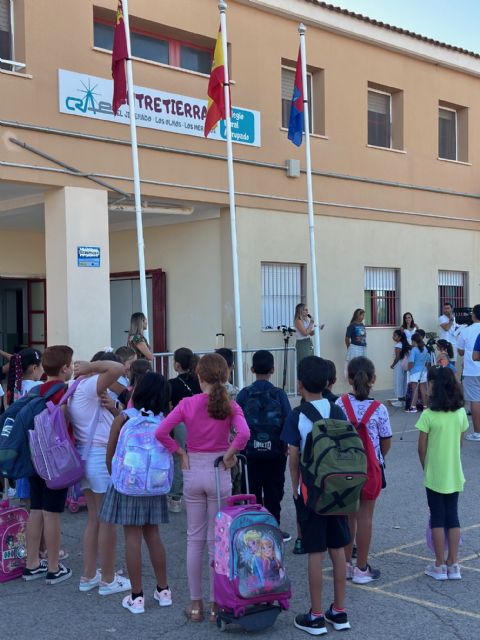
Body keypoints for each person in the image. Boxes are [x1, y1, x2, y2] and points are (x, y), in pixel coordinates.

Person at [155, 353, 250, 623]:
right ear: (226, 375)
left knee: (193, 539)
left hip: (193, 470)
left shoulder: (187, 403)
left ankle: (195, 604)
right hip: (219, 471)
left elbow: (161, 431)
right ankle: (215, 604)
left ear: (199, 376)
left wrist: (180, 452)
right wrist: (230, 454)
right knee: (216, 541)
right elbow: (244, 434)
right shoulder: (230, 405)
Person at [282, 356, 351, 635]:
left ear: (299, 383)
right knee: (337, 549)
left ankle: (316, 614)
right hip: (339, 490)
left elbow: (293, 456)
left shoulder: (298, 415)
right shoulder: (337, 410)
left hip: (312, 492)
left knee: (314, 551)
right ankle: (340, 610)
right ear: (326, 383)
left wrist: (297, 486)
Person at [101, 372, 172, 614]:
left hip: (128, 485)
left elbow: (110, 454)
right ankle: (164, 591)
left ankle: (137, 597)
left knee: (132, 537)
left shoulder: (123, 418)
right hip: (155, 485)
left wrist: (117, 477)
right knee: (154, 535)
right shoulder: (164, 420)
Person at [68, 353, 131, 596]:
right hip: (97, 457)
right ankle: (107, 578)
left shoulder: (77, 389)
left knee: (94, 519)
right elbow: (116, 368)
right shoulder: (88, 387)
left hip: (85, 456)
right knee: (107, 521)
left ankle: (89, 575)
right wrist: (91, 367)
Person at [336, 357, 392, 584]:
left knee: (348, 516)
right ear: (374, 379)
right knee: (365, 517)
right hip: (370, 469)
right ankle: (362, 568)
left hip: (344, 468)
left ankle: (347, 564)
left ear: (348, 378)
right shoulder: (379, 409)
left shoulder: (340, 405)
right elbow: (385, 441)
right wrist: (376, 458)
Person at [22, 346, 73, 585]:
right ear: (64, 368)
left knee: (36, 510)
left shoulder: (34, 391)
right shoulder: (63, 392)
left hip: (34, 457)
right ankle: (54, 567)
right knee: (52, 513)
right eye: (71, 364)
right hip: (54, 460)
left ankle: (31, 563)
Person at [416, 366, 468, 580]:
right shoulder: (460, 413)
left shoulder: (428, 415)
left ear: (433, 387)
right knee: (453, 517)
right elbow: (460, 443)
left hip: (435, 474)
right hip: (454, 472)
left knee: (437, 518)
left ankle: (439, 564)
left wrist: (426, 466)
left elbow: (421, 448)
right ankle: (453, 564)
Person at [236, 350, 291, 540]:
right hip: (275, 454)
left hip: (249, 455)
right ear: (273, 369)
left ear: (252, 369)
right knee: (273, 493)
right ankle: (273, 529)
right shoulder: (279, 395)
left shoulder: (244, 394)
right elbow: (287, 421)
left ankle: (254, 530)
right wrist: (285, 448)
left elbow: (238, 423)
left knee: (251, 493)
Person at [167, 348, 201, 513]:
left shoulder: (172, 384)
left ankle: (176, 498)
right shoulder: (199, 381)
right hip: (199, 424)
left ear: (177, 365)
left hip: (180, 425)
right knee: (198, 457)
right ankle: (199, 495)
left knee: (179, 458)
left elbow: (169, 407)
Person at [457, 304, 480, 441]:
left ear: (473, 315)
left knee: (475, 401)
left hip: (472, 370)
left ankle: (478, 433)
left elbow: (460, 351)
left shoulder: (466, 331)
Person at [406, 333, 430, 413]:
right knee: (423, 389)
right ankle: (425, 407)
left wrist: (408, 369)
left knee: (415, 390)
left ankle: (413, 407)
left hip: (415, 372)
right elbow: (428, 362)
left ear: (414, 341)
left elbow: (411, 363)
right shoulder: (425, 349)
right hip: (423, 371)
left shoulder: (414, 350)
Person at [390, 330, 410, 407]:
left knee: (398, 382)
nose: (393, 337)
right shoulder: (405, 344)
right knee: (403, 382)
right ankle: (404, 399)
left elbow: (397, 357)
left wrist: (392, 365)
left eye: (395, 335)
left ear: (399, 337)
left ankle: (400, 401)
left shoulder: (398, 345)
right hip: (404, 365)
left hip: (398, 365)